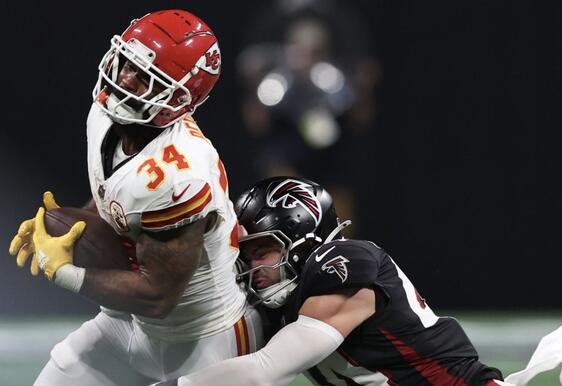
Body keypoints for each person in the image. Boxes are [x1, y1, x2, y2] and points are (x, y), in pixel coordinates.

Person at [8, 9, 262, 385]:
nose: (124, 78)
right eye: (125, 62)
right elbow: (120, 200)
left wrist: (64, 273)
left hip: (206, 340)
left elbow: (159, 295)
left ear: (179, 96)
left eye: (144, 77)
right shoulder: (106, 115)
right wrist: (72, 229)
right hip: (131, 325)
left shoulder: (179, 174)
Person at [179, 176, 508, 386]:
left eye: (264, 250)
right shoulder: (278, 307)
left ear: (304, 240)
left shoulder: (343, 262)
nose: (254, 265)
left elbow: (263, 371)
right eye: (247, 255)